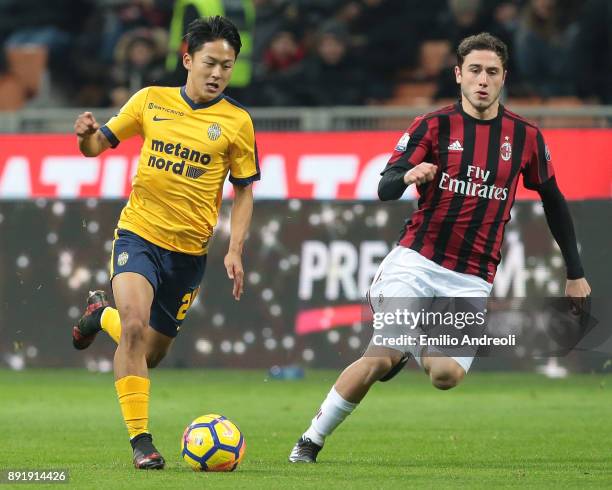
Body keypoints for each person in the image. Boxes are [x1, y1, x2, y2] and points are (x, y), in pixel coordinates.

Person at [289, 32, 591, 463]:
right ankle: (309, 441)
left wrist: (575, 272)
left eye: (491, 72)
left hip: (471, 276)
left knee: (446, 374)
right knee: (379, 355)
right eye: (474, 71)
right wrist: (408, 176)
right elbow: (384, 186)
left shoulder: (524, 137)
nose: (482, 80)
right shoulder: (432, 126)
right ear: (458, 75)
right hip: (414, 261)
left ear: (504, 77)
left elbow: (554, 202)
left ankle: (406, 342)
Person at [71, 16, 259, 470]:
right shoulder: (150, 101)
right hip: (139, 236)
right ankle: (142, 443)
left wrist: (234, 249)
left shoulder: (237, 122)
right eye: (210, 63)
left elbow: (244, 189)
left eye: (228, 66)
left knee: (150, 353)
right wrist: (86, 137)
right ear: (188, 59)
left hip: (189, 254)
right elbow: (98, 147)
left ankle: (100, 315)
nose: (218, 74)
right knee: (134, 328)